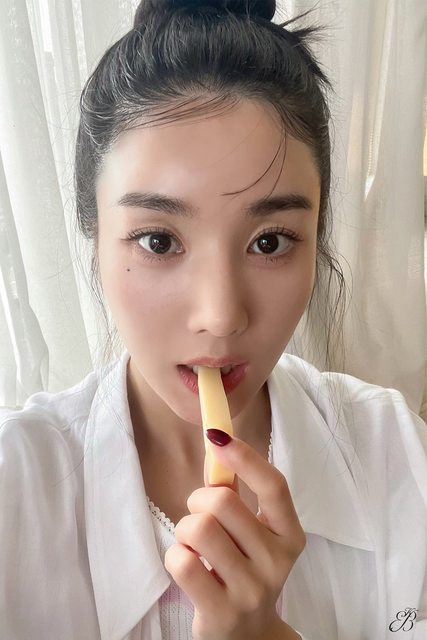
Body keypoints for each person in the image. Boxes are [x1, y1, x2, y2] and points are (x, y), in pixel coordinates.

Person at [1, 0, 426, 638]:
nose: (221, 317)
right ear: (94, 235)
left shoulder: (397, 453)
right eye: (158, 241)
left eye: (270, 242)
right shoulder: (15, 486)